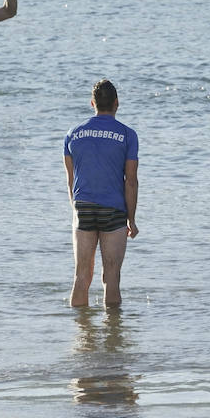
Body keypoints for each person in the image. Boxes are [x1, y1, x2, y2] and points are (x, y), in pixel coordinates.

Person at [64, 79, 139, 308]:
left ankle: (81, 335)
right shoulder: (128, 135)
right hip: (113, 209)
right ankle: (113, 336)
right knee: (111, 277)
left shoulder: (73, 134)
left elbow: (70, 180)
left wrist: (76, 213)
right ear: (117, 103)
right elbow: (131, 182)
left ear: (92, 103)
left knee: (81, 277)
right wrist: (132, 220)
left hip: (83, 207)